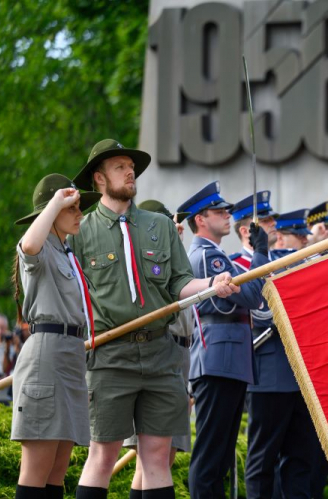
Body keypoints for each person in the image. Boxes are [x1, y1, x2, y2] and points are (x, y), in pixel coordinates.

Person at [69, 139, 240, 499]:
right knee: (103, 454)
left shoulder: (159, 225)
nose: (130, 172)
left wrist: (211, 283)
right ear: (99, 178)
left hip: (161, 354)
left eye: (131, 166)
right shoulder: (81, 231)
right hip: (110, 356)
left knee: (158, 456)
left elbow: (179, 282)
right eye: (119, 167)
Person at [10, 174, 101, 499]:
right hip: (46, 358)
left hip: (70, 356)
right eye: (71, 208)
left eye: (78, 208)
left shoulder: (66, 253)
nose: (79, 214)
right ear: (50, 210)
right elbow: (29, 246)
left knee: (56, 472)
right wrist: (54, 204)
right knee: (37, 470)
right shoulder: (41, 247)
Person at [178, 182, 269, 499]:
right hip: (218, 361)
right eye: (219, 211)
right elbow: (251, 297)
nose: (227, 215)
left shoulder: (215, 255)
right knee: (209, 459)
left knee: (218, 460)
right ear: (200, 219)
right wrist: (260, 254)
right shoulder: (208, 257)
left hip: (228, 360)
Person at [245, 207, 320, 499]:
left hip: (302, 376)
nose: (271, 226)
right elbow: (258, 310)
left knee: (300, 461)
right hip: (270, 376)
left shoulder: (300, 262)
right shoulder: (249, 263)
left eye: (273, 222)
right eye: (264, 222)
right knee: (262, 461)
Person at [122, 200, 193, 499]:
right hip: (160, 354)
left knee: (163, 456)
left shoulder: (171, 261)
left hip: (178, 356)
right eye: (169, 224)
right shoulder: (150, 264)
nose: (177, 229)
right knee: (153, 460)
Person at [228, 190, 278, 271]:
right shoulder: (235, 267)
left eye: (272, 219)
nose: (274, 223)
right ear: (245, 231)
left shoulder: (280, 258)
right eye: (265, 221)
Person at [0, 313, 15, 404]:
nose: (0, 332)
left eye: (2, 328)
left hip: (9, 397)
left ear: (7, 328)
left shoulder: (14, 345)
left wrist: (8, 346)